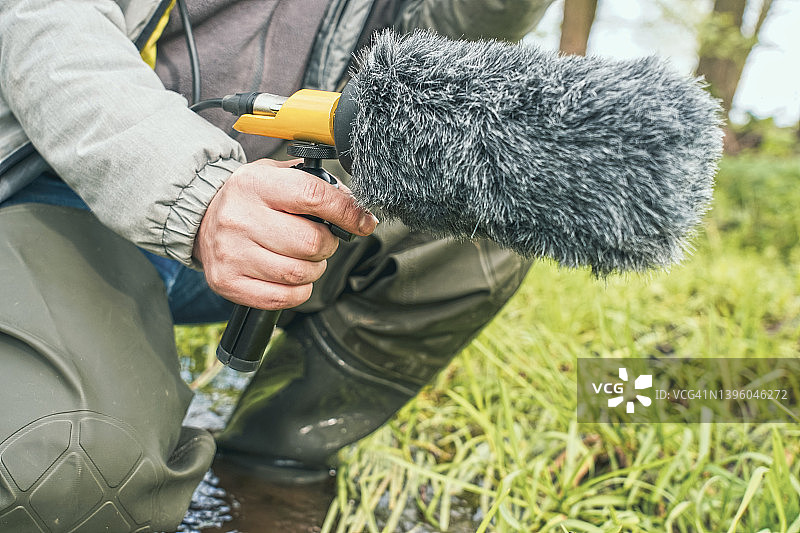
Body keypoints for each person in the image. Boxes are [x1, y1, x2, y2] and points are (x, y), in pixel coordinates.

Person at [0, 0, 553, 530]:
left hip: (279, 204)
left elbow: (436, 62)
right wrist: (198, 195)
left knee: (498, 211)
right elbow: (42, 17)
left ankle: (264, 474)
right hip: (59, 188)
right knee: (65, 477)